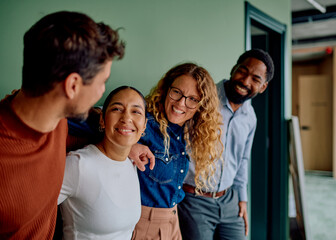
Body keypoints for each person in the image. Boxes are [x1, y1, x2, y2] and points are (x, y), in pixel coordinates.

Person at [0, 11, 124, 239]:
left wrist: (121, 142)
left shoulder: (55, 120)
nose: (102, 91)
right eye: (102, 81)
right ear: (73, 86)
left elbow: (65, 141)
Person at [178, 49, 275, 240]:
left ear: (263, 87)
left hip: (229, 200)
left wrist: (242, 199)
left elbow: (242, 159)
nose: (246, 81)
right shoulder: (203, 99)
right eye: (243, 71)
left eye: (255, 79)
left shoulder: (250, 117)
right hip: (194, 199)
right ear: (234, 69)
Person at [130, 63, 223, 240]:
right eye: (176, 92)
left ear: (200, 106)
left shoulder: (185, 134)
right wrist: (127, 146)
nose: (181, 103)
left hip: (173, 222)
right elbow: (98, 119)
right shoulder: (145, 123)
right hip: (143, 223)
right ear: (166, 90)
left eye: (192, 99)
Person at [58, 86, 146, 240]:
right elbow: (29, 210)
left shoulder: (132, 164)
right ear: (102, 120)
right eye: (117, 109)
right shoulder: (78, 165)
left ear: (144, 126)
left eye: (136, 111)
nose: (126, 118)